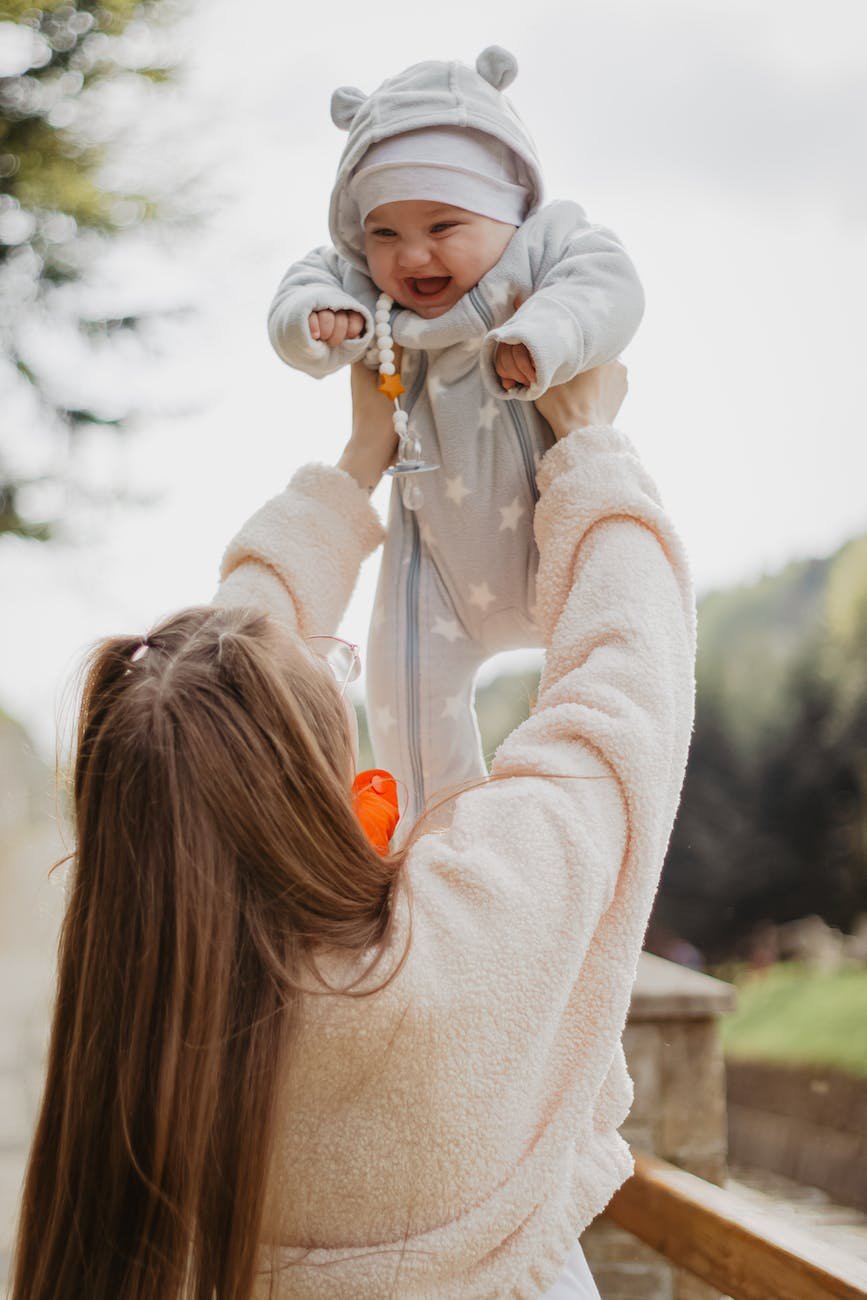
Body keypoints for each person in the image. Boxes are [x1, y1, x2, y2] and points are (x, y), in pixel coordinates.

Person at [11, 359, 695, 1300]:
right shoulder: (461, 938)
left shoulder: (151, 1005)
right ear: (301, 776)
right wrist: (589, 448)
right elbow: (624, 690)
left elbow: (201, 715)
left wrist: (352, 468)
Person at [268, 45, 645, 827]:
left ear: (508, 208)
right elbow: (302, 284)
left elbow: (609, 284)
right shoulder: (363, 285)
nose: (410, 256)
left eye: (443, 224)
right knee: (403, 701)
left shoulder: (543, 249)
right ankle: (440, 839)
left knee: (606, 690)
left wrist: (546, 335)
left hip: (553, 544)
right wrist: (314, 322)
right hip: (431, 566)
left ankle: (567, 825)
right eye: (383, 233)